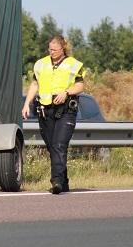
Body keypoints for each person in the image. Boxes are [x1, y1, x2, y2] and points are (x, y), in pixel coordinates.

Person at [21, 34, 84, 194]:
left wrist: (66, 92)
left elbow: (80, 86)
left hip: (65, 111)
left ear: (63, 49)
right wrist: (27, 103)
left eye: (55, 50)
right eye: (50, 49)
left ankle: (56, 181)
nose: (52, 52)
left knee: (59, 145)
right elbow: (35, 84)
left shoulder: (73, 64)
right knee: (52, 147)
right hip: (45, 111)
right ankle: (64, 181)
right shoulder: (41, 64)